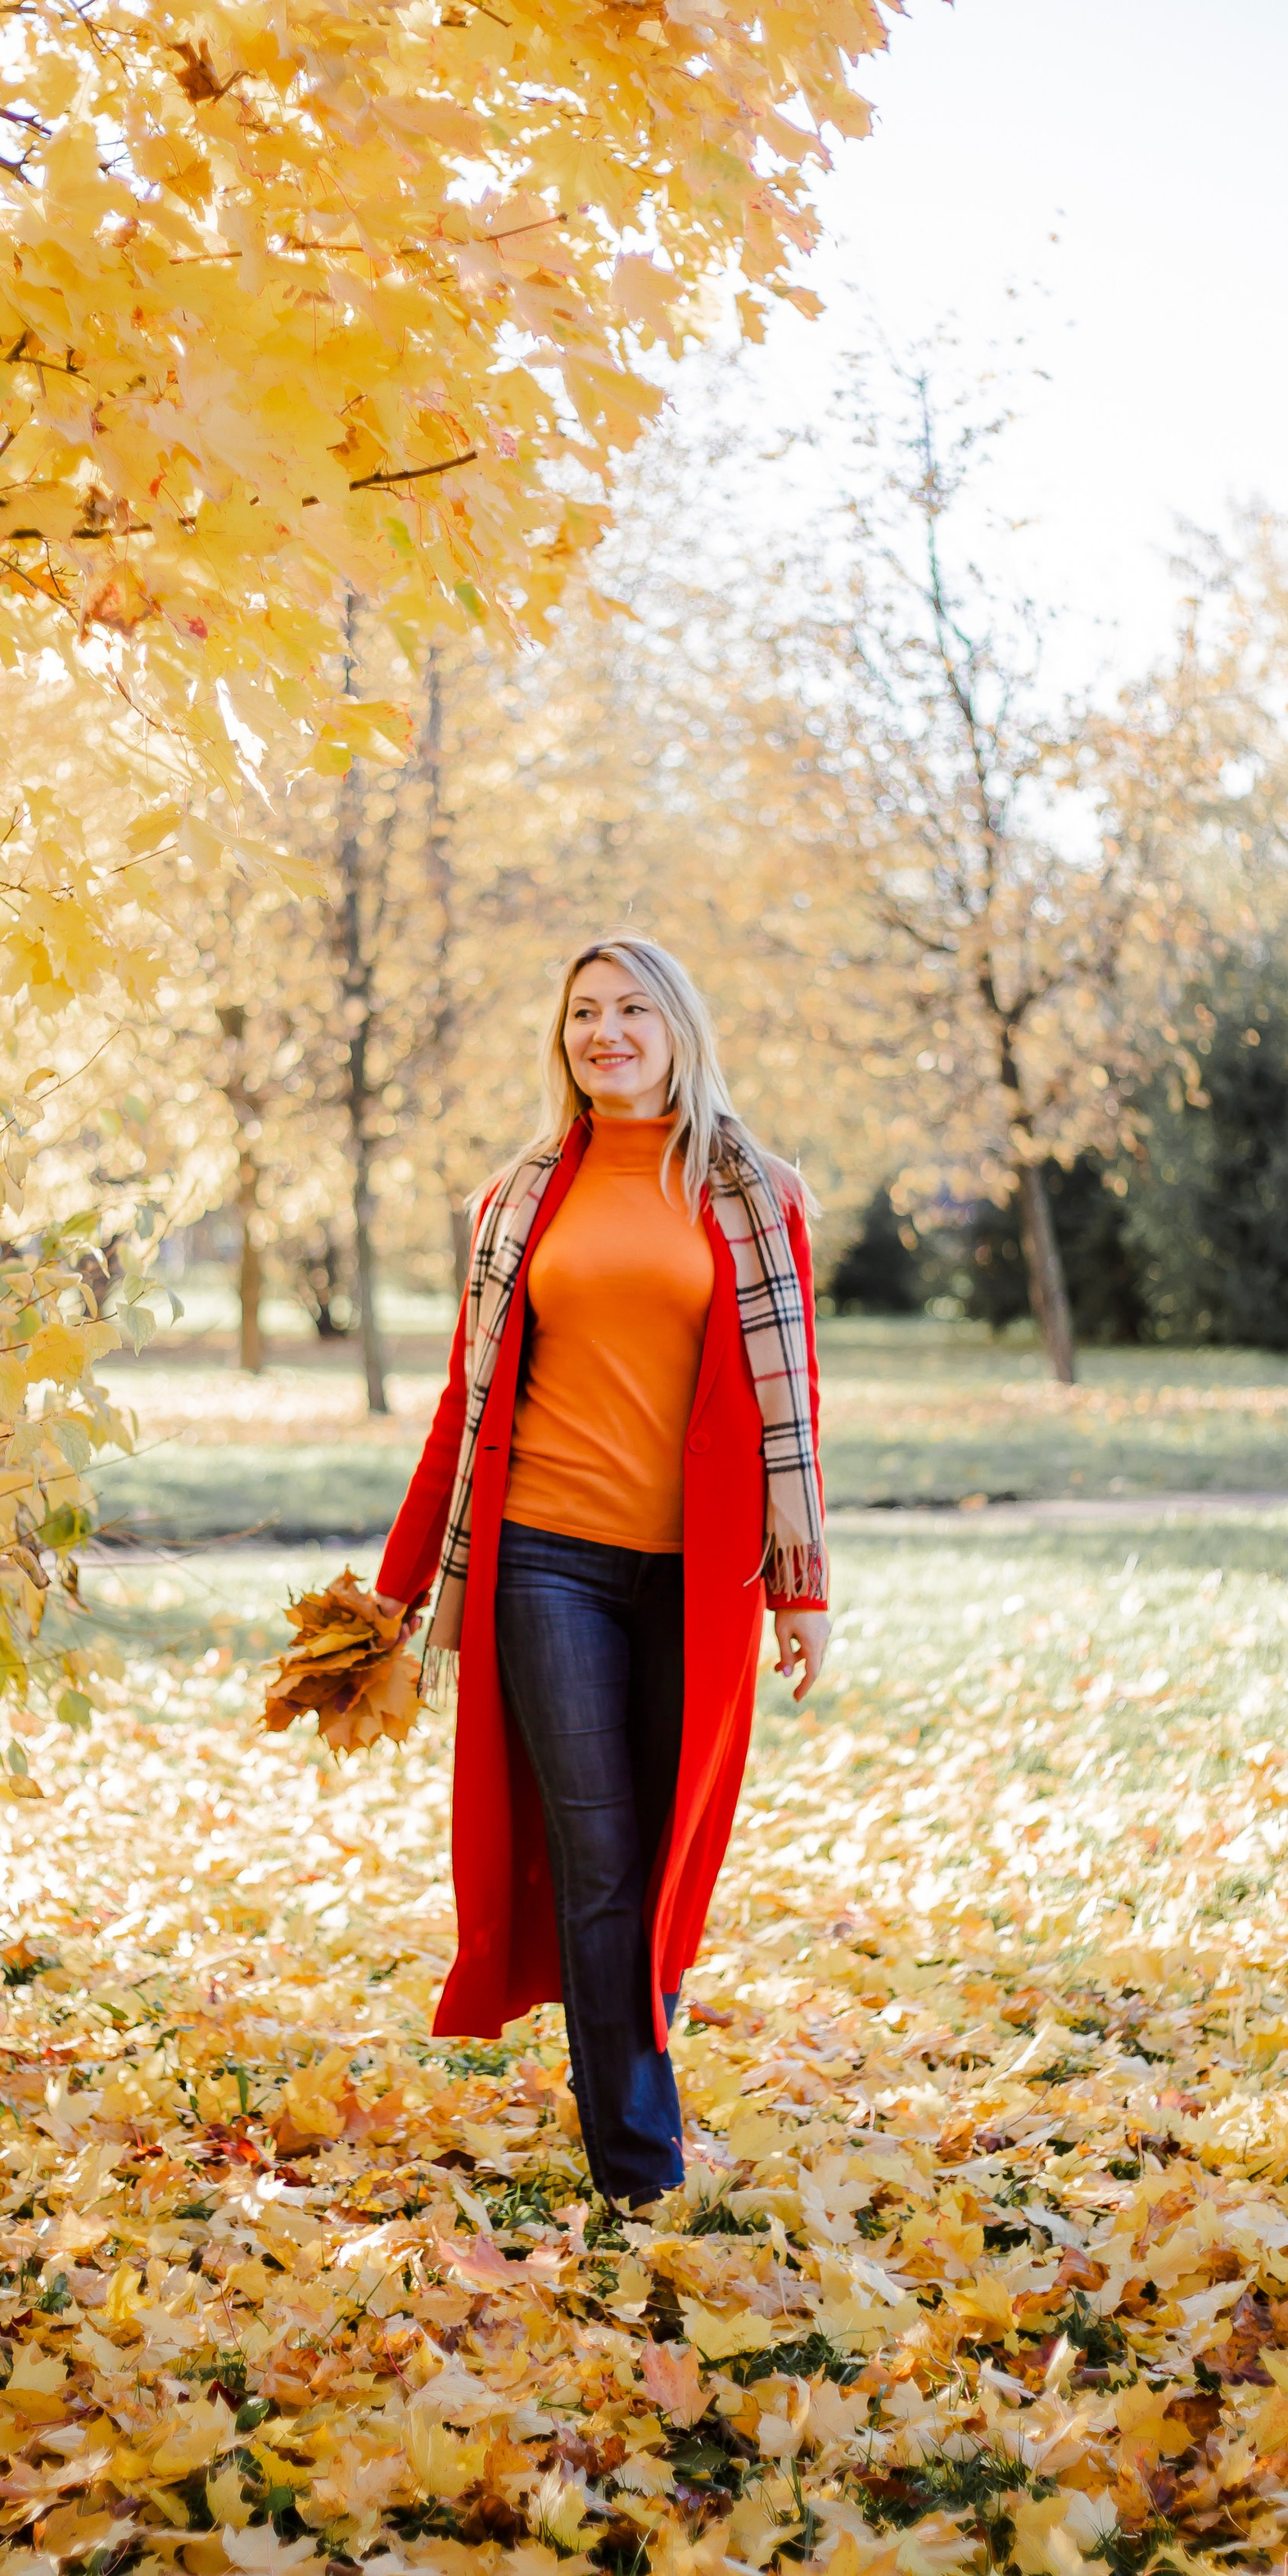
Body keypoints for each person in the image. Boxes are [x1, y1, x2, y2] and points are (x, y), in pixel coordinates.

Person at [372, 935, 830, 2210]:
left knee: (670, 1857)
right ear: (561, 1036)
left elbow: (794, 1413)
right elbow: (462, 1415)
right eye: (584, 1012)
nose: (606, 1031)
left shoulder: (756, 1195)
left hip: (701, 1578)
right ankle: (641, 2165)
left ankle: (632, 2086)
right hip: (546, 1567)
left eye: (633, 1008)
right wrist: (399, 1586)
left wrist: (805, 1590)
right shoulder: (516, 1201)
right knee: (602, 1858)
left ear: (679, 1029)